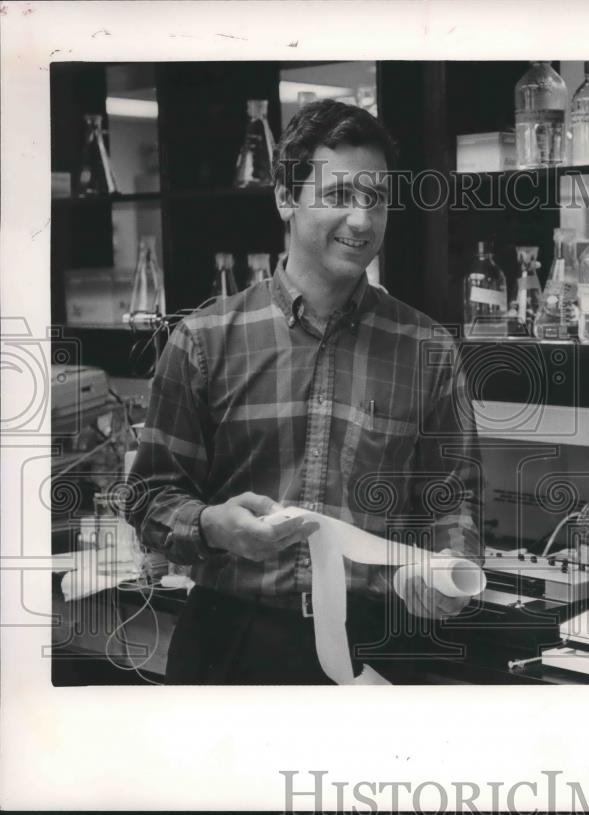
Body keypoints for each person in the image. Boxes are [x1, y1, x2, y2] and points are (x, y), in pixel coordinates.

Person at [125, 100, 482, 684]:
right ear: (286, 198)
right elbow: (148, 499)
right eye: (340, 196)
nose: (362, 221)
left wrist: (450, 570)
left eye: (376, 199)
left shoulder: (428, 349)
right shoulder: (203, 341)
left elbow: (452, 502)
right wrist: (213, 524)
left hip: (376, 645)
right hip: (232, 641)